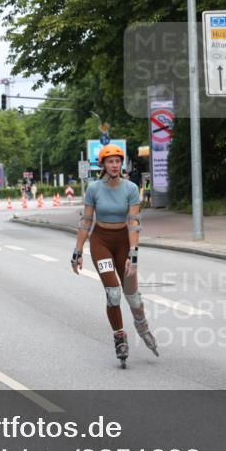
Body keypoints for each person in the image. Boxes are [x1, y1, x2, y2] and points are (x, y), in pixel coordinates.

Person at [70, 144, 158, 367]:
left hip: (123, 242)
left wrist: (133, 254)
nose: (115, 165)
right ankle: (120, 337)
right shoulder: (94, 189)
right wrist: (78, 251)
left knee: (132, 295)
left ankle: (142, 326)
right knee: (113, 293)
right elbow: (86, 222)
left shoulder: (130, 188)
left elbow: (134, 223)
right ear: (103, 165)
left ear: (122, 164)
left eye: (118, 161)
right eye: (110, 161)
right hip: (101, 242)